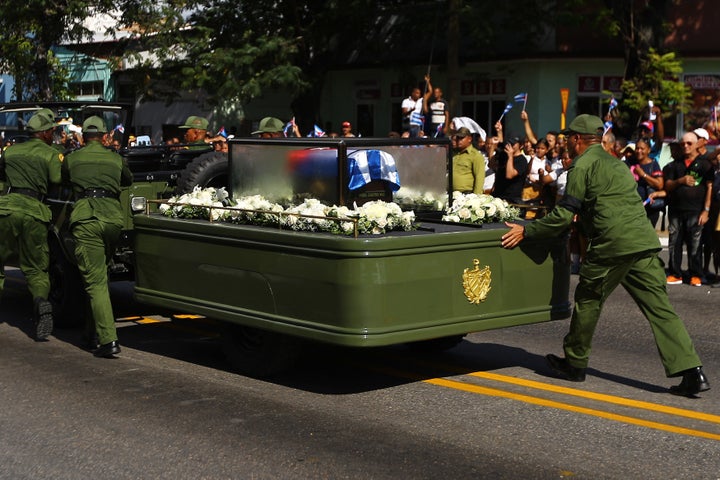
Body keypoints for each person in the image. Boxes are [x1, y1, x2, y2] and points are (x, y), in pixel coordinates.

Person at [501, 114, 710, 397]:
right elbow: (613, 202)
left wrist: (527, 231)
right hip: (643, 242)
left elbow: (564, 214)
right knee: (660, 310)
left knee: (588, 299)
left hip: (612, 245)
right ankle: (692, 371)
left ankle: (574, 363)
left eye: (567, 139)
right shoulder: (618, 164)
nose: (566, 144)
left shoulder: (581, 166)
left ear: (577, 140)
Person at [63, 116, 133, 357]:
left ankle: (108, 340)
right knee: (100, 276)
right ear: (105, 136)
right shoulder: (115, 158)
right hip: (113, 220)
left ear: (83, 137)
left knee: (95, 282)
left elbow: (62, 179)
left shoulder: (73, 158)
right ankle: (91, 332)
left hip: (87, 219)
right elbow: (128, 180)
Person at [0, 110, 62, 340]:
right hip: (34, 211)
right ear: (44, 133)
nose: (53, 134)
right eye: (52, 131)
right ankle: (40, 301)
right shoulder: (51, 154)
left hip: (5, 209)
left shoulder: (11, 151)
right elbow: (56, 181)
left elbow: (1, 176)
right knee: (36, 267)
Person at [663, 130, 714, 286]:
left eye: (689, 143)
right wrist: (681, 180)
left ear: (696, 144)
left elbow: (709, 187)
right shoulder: (674, 165)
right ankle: (675, 273)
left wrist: (706, 210)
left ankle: (696, 274)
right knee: (674, 242)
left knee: (695, 244)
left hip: (696, 210)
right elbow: (668, 185)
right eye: (682, 144)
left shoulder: (705, 164)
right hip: (675, 210)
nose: (685, 146)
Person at [630, 138, 665, 228]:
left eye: (642, 149)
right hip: (632, 208)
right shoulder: (630, 162)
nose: (639, 151)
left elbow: (660, 184)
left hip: (648, 209)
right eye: (637, 148)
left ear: (649, 150)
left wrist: (643, 175)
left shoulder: (653, 165)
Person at [493, 137, 528, 206]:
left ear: (521, 146)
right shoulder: (503, 155)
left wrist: (510, 156)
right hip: (497, 196)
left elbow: (509, 175)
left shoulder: (522, 160)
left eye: (513, 144)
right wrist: (492, 147)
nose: (510, 146)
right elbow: (491, 165)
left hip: (512, 199)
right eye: (509, 143)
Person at [450, 127, 485, 194]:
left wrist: (476, 197)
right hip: (450, 193)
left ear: (469, 139)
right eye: (457, 138)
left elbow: (479, 178)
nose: (459, 140)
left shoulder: (475, 155)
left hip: (466, 194)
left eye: (462, 138)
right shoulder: (453, 153)